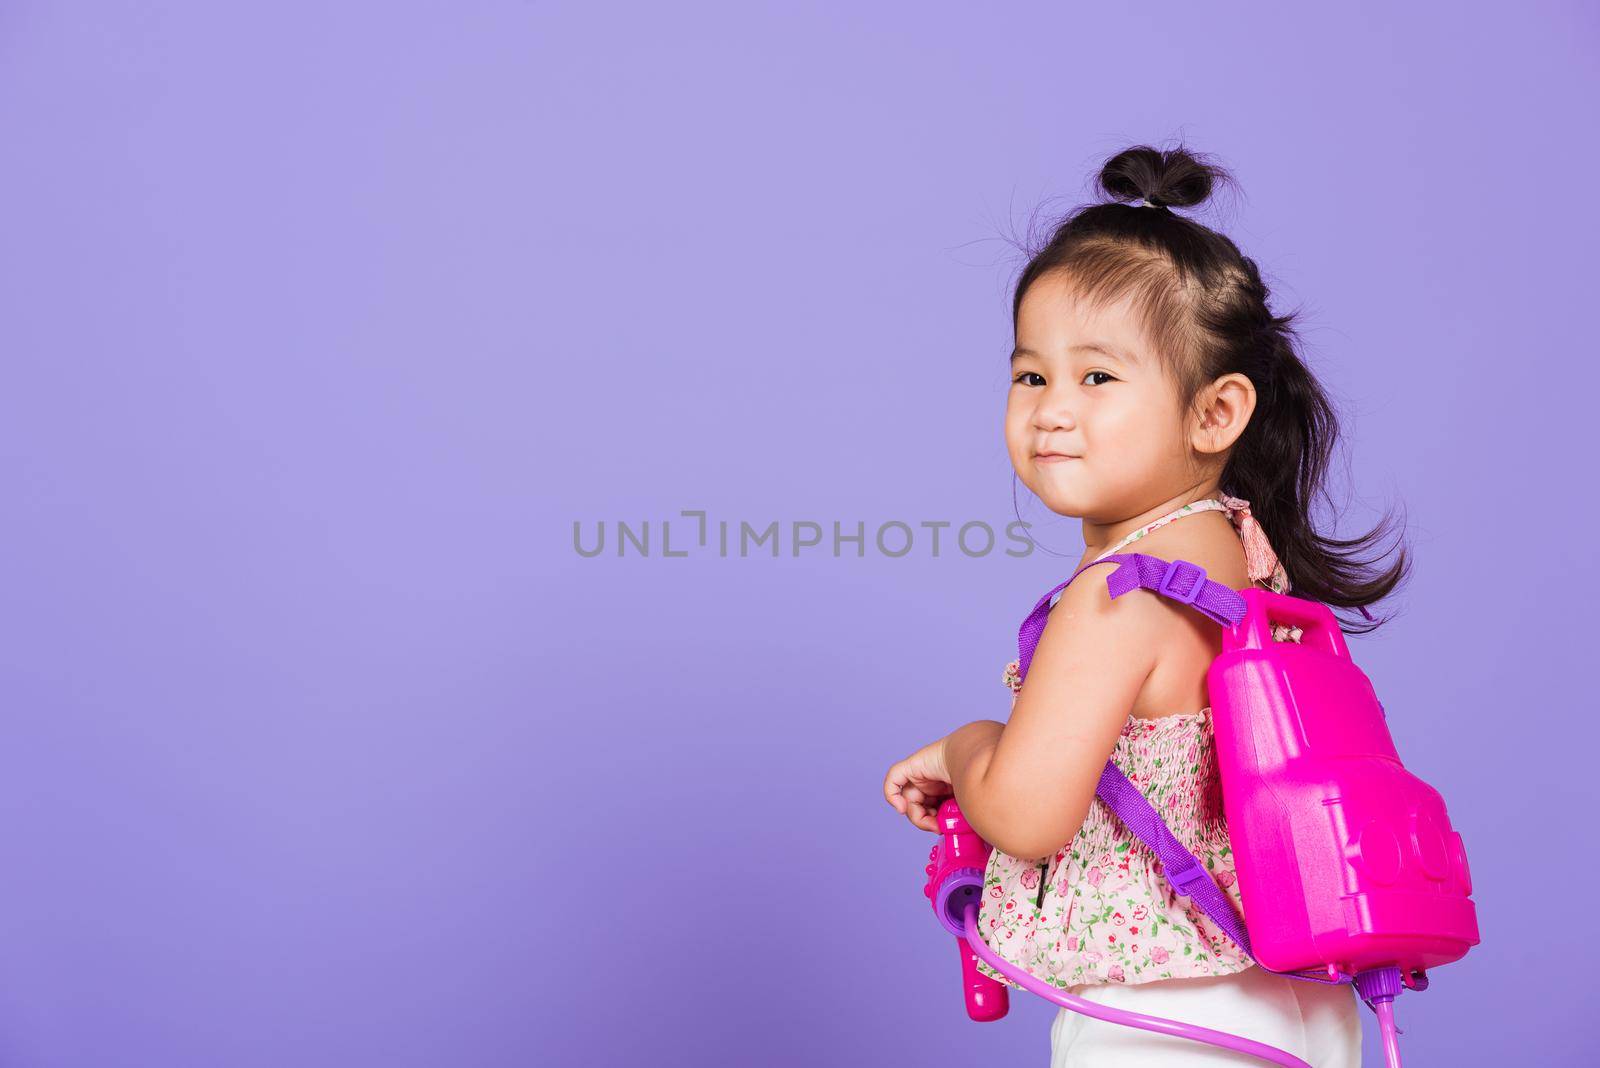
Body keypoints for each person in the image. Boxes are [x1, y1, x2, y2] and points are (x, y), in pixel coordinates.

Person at [883, 144, 1412, 1066]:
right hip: (1291, 993)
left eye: (1097, 378)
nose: (1051, 409)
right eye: (1030, 375)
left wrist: (966, 746)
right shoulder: (1238, 553)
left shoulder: (1119, 594)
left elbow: (1026, 813)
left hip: (1166, 1014)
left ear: (1215, 414)